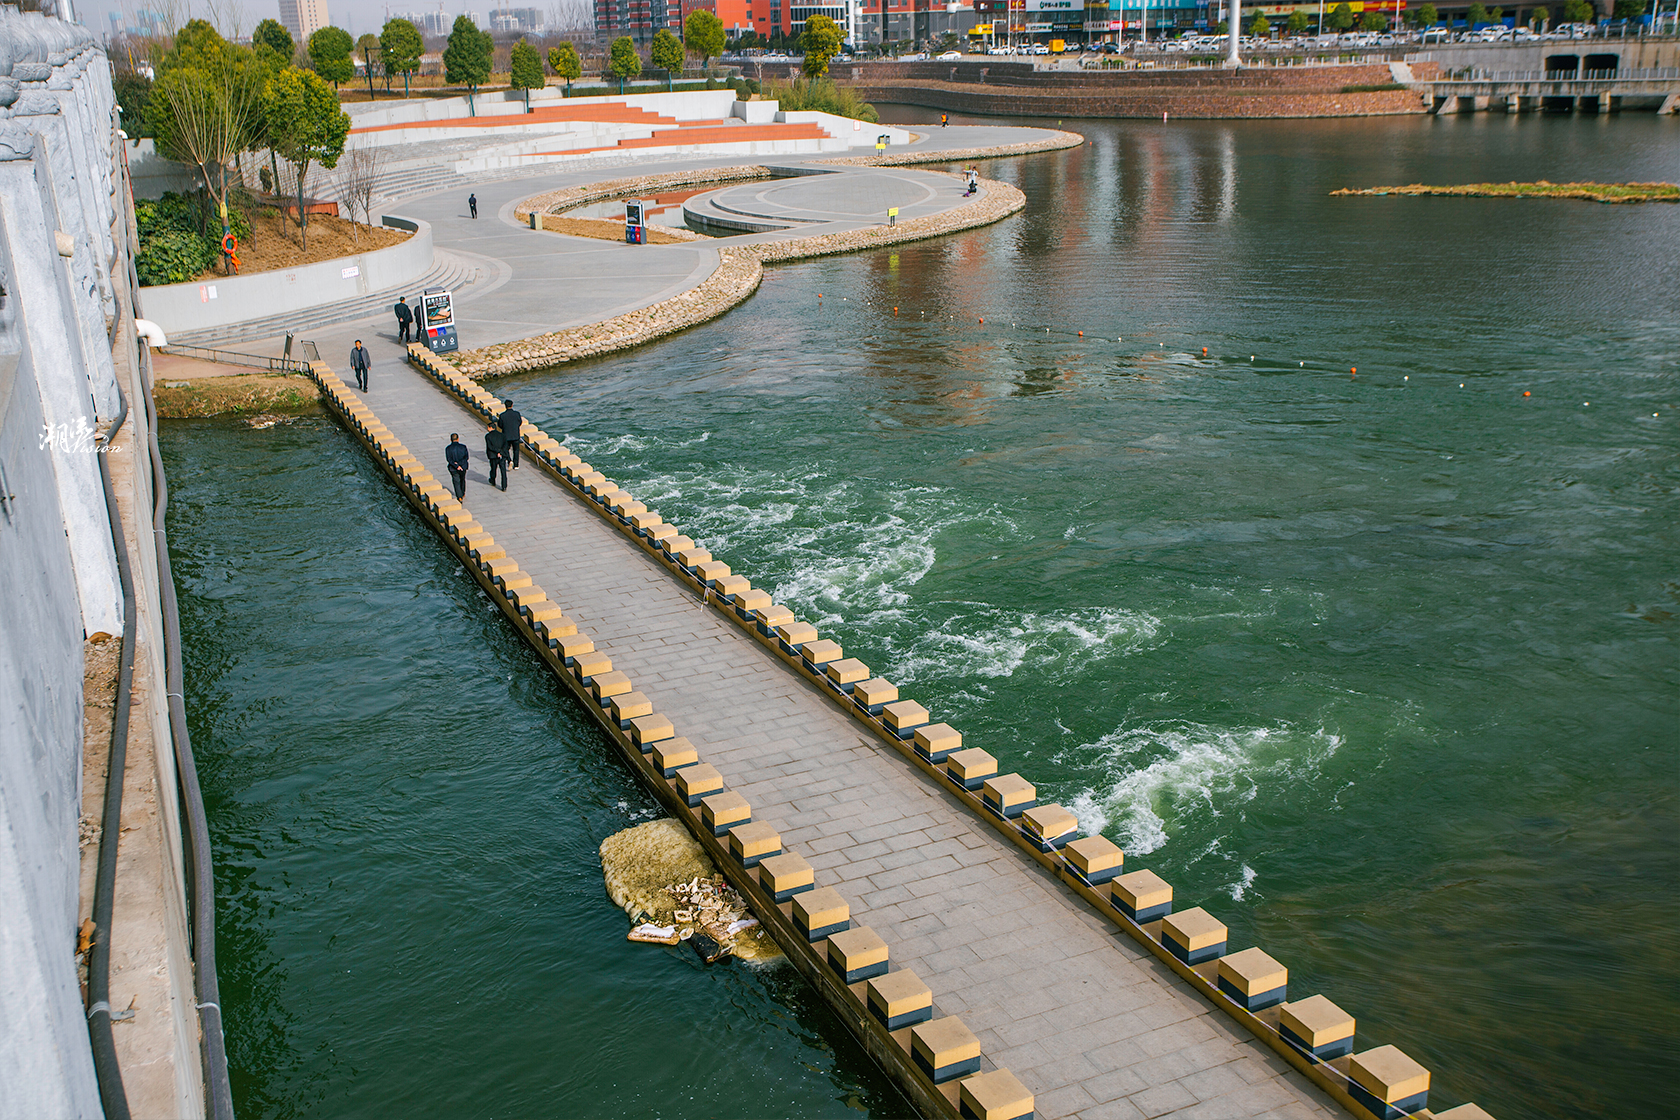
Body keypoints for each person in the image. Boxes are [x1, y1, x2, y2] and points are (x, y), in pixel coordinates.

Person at [498, 399, 523, 470]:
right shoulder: (517, 414)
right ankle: (516, 465)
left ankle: (509, 460)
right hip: (515, 435)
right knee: (516, 450)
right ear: (512, 405)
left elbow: (500, 425)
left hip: (506, 436)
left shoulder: (502, 415)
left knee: (505, 449)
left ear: (505, 406)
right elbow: (520, 422)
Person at [445, 433, 469, 499]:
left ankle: (459, 496)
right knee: (462, 479)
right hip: (463, 467)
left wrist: (456, 465)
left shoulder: (448, 448)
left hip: (453, 468)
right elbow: (466, 457)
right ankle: (462, 492)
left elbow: (449, 459)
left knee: (456, 481)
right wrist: (460, 465)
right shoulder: (463, 447)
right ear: (458, 439)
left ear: (450, 440)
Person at [485, 422, 508, 491]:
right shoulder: (502, 435)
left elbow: (490, 447)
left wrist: (497, 451)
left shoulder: (488, 436)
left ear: (490, 427)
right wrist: (500, 452)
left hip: (493, 456)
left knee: (493, 469)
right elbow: (505, 445)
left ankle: (492, 480)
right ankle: (504, 486)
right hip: (502, 455)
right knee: (503, 471)